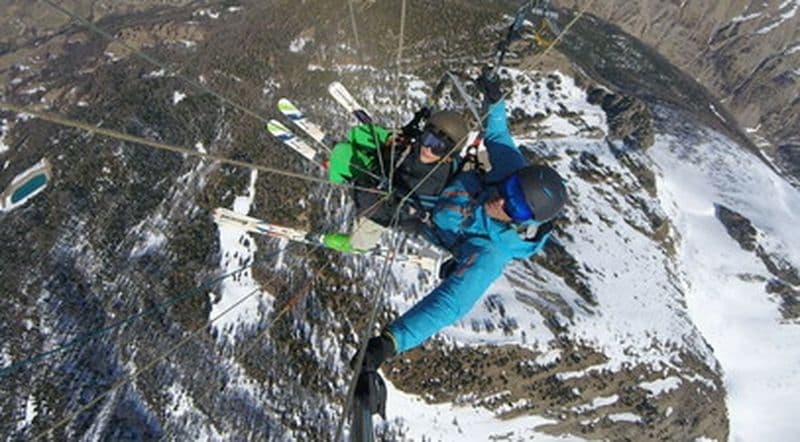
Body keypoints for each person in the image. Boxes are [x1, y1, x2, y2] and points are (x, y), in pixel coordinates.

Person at [353, 69, 569, 415]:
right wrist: (494, 97)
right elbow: (497, 133)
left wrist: (389, 343)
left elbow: (450, 304)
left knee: (375, 200)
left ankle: (367, 196)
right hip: (450, 183)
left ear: (523, 222)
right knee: (417, 156)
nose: (502, 199)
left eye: (512, 206)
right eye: (509, 189)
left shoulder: (491, 253)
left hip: (425, 217)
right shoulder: (509, 172)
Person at [322, 109, 471, 252]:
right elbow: (410, 143)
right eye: (427, 138)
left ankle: (358, 245)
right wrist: (396, 139)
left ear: (448, 155)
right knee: (360, 134)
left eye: (438, 147)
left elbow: (397, 213)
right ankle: (353, 148)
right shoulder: (422, 146)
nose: (427, 148)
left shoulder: (431, 184)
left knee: (342, 155)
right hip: (388, 166)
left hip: (389, 204)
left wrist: (362, 186)